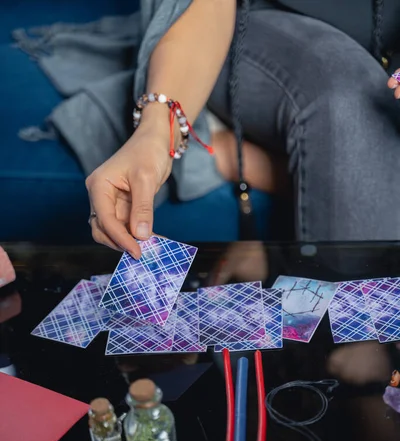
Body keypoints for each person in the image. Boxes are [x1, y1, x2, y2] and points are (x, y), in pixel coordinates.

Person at [86, 0, 400, 258]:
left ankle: (237, 161)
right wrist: (156, 132)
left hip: (386, 49)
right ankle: (357, 334)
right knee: (350, 97)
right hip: (249, 28)